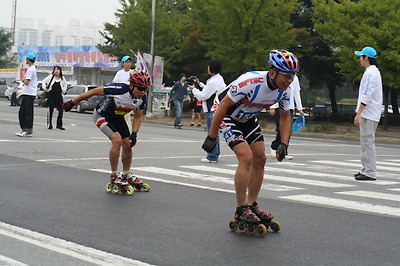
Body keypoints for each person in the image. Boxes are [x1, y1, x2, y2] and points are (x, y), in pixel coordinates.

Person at [202, 50, 299, 224]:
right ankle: (241, 209)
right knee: (246, 157)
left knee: (260, 158)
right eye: (286, 76)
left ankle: (252, 204)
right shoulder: (250, 81)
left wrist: (284, 144)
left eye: (292, 76)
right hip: (226, 115)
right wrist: (212, 136)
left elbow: (285, 116)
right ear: (272, 72)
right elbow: (223, 105)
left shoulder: (286, 90)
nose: (289, 80)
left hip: (247, 118)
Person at [62, 71, 151, 185]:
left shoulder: (143, 98)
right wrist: (72, 102)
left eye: (145, 89)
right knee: (117, 140)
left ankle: (126, 174)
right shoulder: (119, 89)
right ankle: (114, 175)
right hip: (102, 115)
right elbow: (94, 91)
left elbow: (138, 117)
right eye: (140, 88)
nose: (143, 92)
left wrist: (134, 133)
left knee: (128, 144)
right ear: (131, 86)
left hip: (118, 117)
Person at [188, 59, 226, 163]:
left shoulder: (213, 81)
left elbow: (203, 96)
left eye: (208, 67)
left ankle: (212, 156)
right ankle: (215, 154)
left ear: (212, 68)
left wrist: (193, 89)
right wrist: (200, 84)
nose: (207, 68)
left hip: (211, 110)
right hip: (217, 109)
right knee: (215, 133)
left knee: (212, 133)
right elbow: (209, 91)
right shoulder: (218, 79)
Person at [353, 46, 382, 181]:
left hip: (368, 113)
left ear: (367, 58)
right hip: (370, 113)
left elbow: (367, 94)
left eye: (361, 57)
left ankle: (370, 171)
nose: (359, 59)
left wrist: (359, 113)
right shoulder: (373, 72)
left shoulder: (371, 73)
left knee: (368, 141)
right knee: (365, 142)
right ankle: (365, 169)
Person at [269, 75, 305, 160]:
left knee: (288, 130)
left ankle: (284, 151)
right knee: (280, 129)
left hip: (290, 107)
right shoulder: (279, 76)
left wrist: (300, 108)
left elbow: (296, 93)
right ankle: (275, 146)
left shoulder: (295, 78)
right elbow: (274, 91)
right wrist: (272, 106)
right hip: (279, 106)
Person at [15, 53, 37, 137]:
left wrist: (23, 79)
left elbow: (27, 81)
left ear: (28, 59)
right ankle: (26, 130)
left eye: (26, 58)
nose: (25, 60)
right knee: (25, 112)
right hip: (28, 93)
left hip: (29, 93)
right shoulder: (32, 69)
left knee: (25, 112)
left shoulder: (31, 69)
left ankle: (26, 130)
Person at [42, 66, 67, 130]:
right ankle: (49, 124)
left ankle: (59, 125)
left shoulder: (62, 78)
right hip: (51, 96)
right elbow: (43, 81)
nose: (56, 71)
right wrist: (45, 88)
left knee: (61, 110)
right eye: (55, 69)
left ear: (60, 71)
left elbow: (65, 85)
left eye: (58, 69)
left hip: (58, 96)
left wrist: (64, 90)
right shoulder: (51, 77)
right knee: (50, 110)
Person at [113, 55, 133, 130]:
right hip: (119, 97)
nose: (128, 64)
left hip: (127, 98)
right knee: (118, 116)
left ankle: (128, 134)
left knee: (127, 117)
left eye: (129, 62)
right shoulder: (119, 73)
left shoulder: (132, 73)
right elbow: (115, 82)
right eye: (126, 62)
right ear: (122, 63)